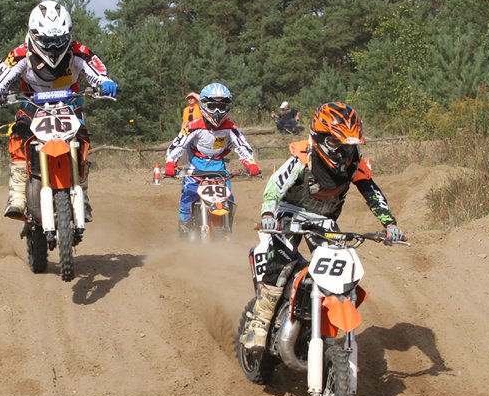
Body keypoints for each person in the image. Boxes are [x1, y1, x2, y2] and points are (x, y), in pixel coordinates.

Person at [239, 101, 404, 351]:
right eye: (336, 142)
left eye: (348, 145)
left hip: (324, 220)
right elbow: (275, 185)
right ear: (320, 136)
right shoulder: (304, 155)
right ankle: (259, 323)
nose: (343, 151)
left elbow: (372, 193)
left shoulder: (353, 163)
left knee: (339, 270)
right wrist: (268, 213)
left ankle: (322, 322)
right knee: (281, 262)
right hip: (290, 213)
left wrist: (389, 223)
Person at [0, 0, 117, 220]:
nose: (53, 47)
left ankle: (82, 194)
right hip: (32, 105)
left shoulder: (78, 52)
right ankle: (17, 196)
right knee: (18, 136)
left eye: (58, 40)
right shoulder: (21, 54)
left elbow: (97, 69)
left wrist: (105, 82)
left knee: (82, 139)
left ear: (68, 34)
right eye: (47, 41)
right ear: (34, 35)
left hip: (69, 104)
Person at [164, 82, 261, 236]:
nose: (217, 111)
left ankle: (227, 230)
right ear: (203, 105)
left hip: (218, 167)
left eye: (221, 107)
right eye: (213, 106)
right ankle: (184, 231)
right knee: (187, 198)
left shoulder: (230, 127)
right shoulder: (193, 125)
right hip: (195, 167)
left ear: (228, 107)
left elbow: (242, 145)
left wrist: (251, 164)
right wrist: (170, 163)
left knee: (229, 199)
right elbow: (178, 144)